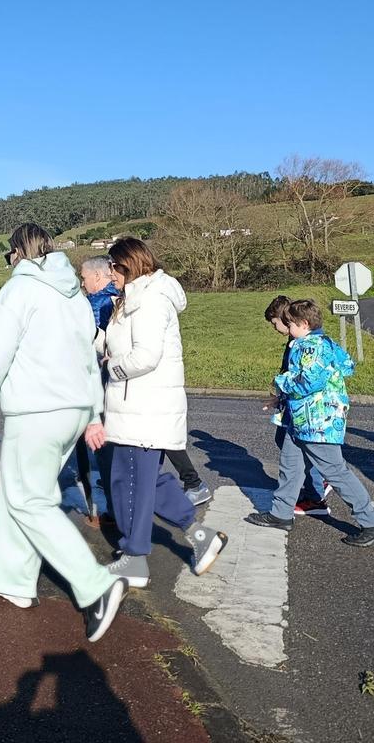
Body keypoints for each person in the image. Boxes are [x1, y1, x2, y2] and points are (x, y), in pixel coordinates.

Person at [0, 224, 127, 644]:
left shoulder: (18, 292)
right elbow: (90, 358)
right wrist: (93, 412)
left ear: (16, 252)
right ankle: (13, 582)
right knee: (21, 493)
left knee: (28, 498)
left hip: (37, 409)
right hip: (72, 409)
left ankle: (96, 585)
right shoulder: (74, 295)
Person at [99, 238, 227, 591]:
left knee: (130, 483)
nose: (110, 273)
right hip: (134, 405)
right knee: (147, 482)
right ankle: (201, 535)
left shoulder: (152, 299)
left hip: (144, 406)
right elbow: (121, 345)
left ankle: (135, 556)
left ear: (128, 264)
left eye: (113, 266)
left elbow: (146, 356)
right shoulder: (135, 298)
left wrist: (112, 368)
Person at [246, 300, 374, 547]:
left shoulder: (311, 347)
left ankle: (373, 523)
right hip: (302, 419)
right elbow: (346, 364)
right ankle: (281, 514)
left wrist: (281, 382)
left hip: (318, 421)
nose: (287, 326)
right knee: (290, 466)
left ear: (303, 324)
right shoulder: (321, 343)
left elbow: (308, 382)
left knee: (335, 471)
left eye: (290, 323)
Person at [263, 295, 331, 516]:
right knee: (291, 446)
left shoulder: (304, 345)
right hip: (293, 403)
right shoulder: (296, 341)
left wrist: (282, 391)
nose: (277, 328)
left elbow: (302, 377)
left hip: (301, 407)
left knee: (302, 450)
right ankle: (310, 489)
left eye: (277, 323)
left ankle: (315, 493)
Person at [74, 256, 121, 524]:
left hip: (99, 376)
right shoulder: (116, 298)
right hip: (105, 376)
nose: (83, 282)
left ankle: (112, 510)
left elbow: (88, 339)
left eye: (84, 277)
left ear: (98, 277)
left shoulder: (100, 303)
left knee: (100, 440)